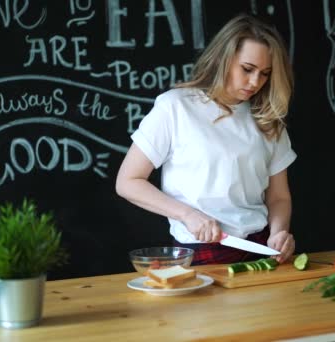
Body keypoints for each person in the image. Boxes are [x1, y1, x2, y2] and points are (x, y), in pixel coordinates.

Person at [115, 13, 296, 265]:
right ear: (224, 58)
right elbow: (127, 182)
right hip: (200, 250)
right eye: (247, 69)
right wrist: (187, 214)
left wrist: (278, 234)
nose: (255, 82)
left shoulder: (267, 119)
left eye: (265, 74)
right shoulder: (175, 107)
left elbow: (278, 197)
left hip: (262, 248)